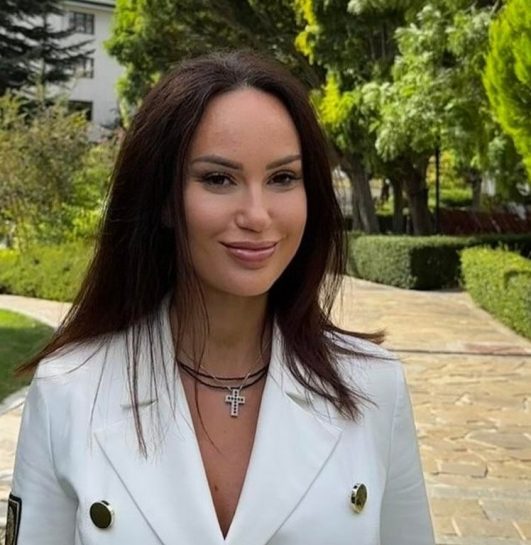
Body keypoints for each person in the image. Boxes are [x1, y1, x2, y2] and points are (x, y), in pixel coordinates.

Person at [6, 50, 435, 545]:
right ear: (163, 200)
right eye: (218, 179)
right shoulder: (70, 389)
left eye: (282, 178)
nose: (257, 215)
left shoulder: (374, 386)